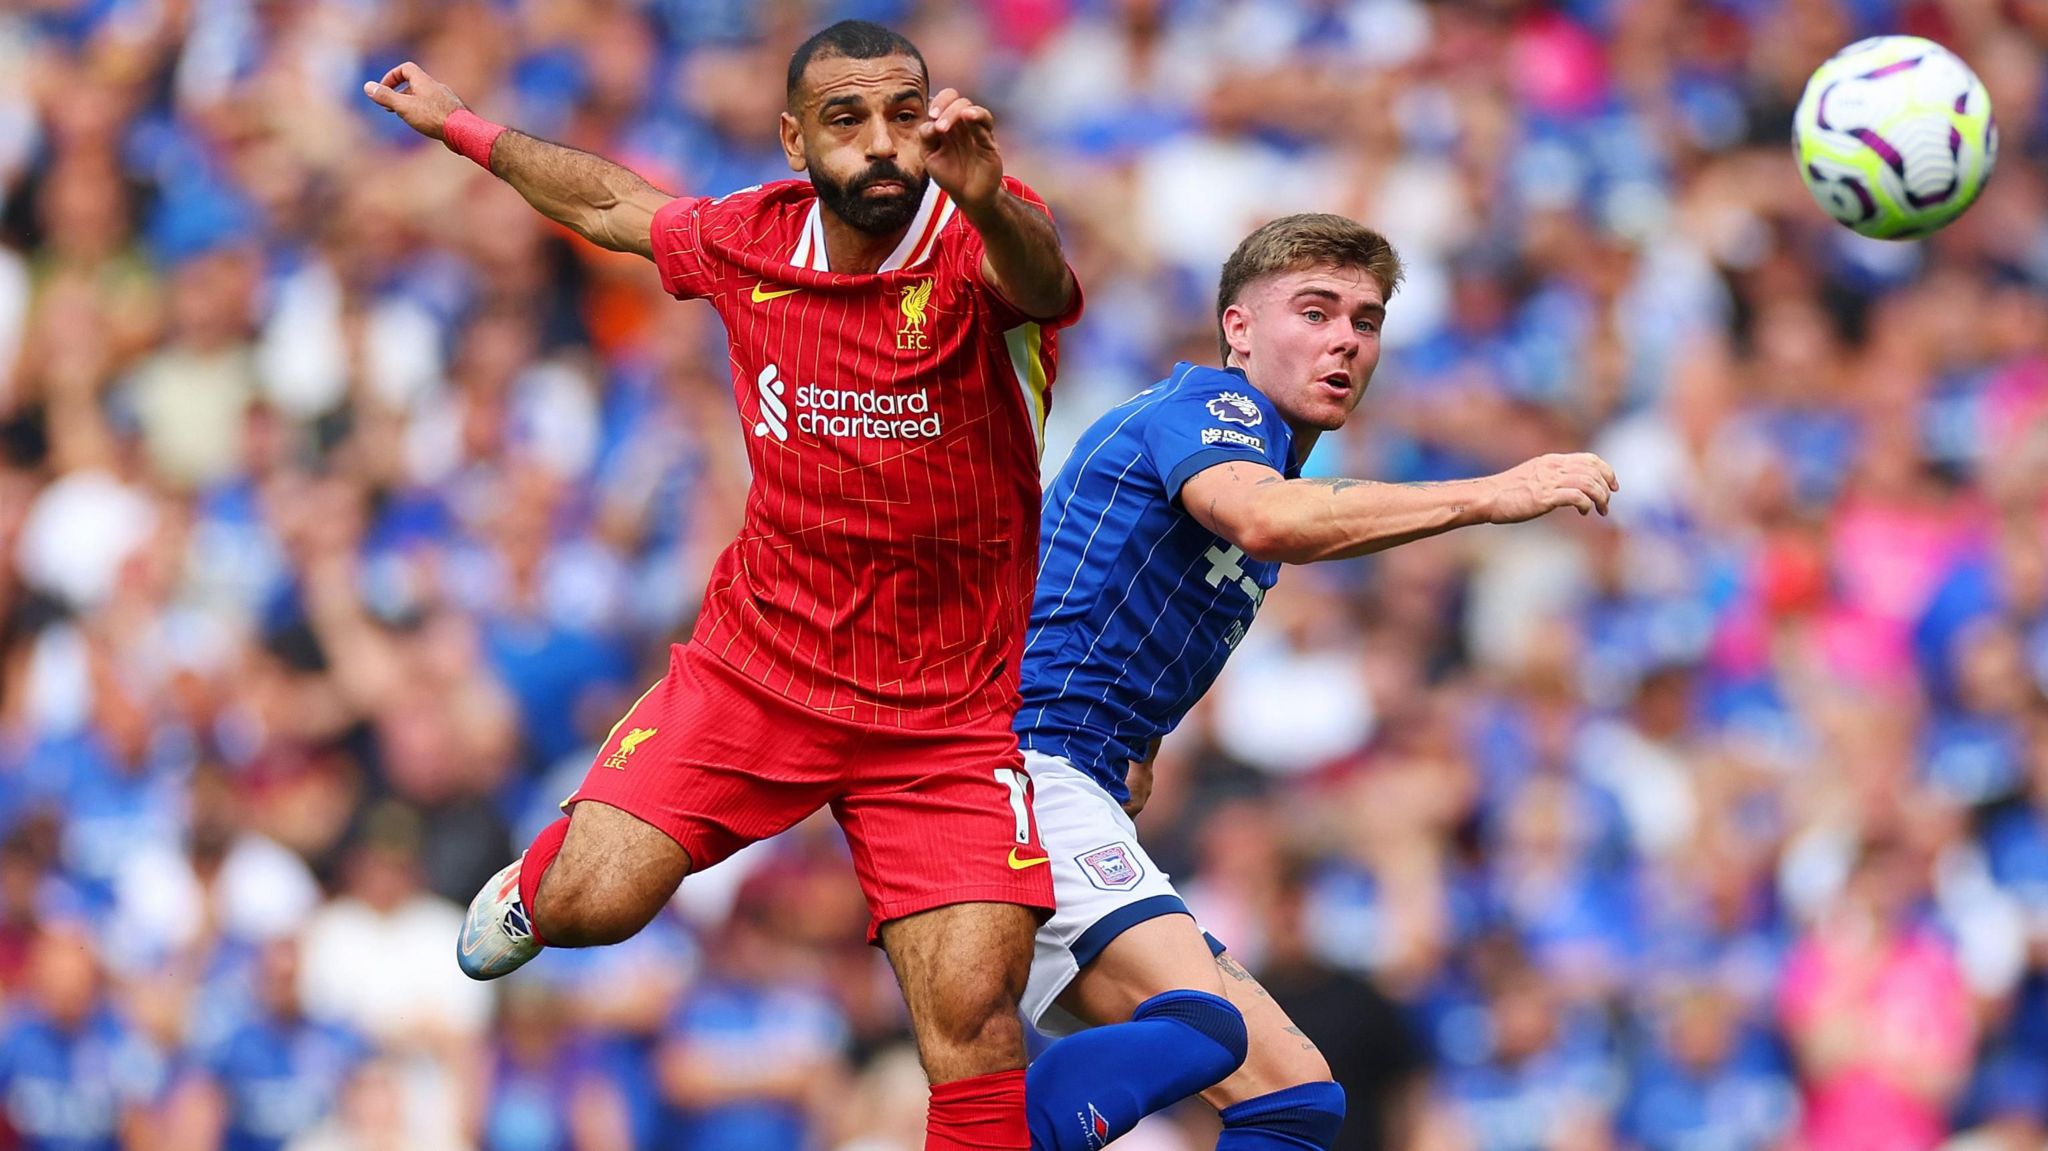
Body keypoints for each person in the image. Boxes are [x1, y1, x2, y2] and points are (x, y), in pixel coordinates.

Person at [364, 19, 1081, 1151]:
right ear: (795, 140)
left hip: (942, 714)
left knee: (972, 1021)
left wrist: (989, 196)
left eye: (906, 113)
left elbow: (1039, 276)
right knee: (592, 907)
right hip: (763, 668)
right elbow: (609, 204)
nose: (884, 144)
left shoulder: (979, 239)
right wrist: (462, 125)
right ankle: (536, 879)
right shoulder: (752, 239)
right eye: (847, 120)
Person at [1014, 213, 1617, 1150]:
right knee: (1199, 1027)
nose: (1345, 338)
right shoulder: (1212, 411)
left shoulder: (1261, 455)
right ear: (1238, 329)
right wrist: (1490, 493)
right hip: (1024, 774)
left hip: (1074, 781)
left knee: (1296, 1100)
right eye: (1316, 310)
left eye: (1365, 321)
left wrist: (1137, 748)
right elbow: (1266, 520)